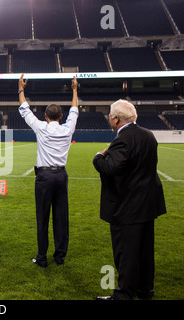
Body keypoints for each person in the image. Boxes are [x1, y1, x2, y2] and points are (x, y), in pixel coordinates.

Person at [93, 99, 166, 300]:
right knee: (144, 251)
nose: (109, 118)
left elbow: (110, 168)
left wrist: (98, 157)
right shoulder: (148, 135)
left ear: (116, 119)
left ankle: (124, 294)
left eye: (110, 115)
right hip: (147, 205)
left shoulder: (123, 139)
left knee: (126, 253)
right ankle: (144, 290)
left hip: (127, 206)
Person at [18, 74, 79, 267]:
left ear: (46, 116)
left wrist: (21, 89)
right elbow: (75, 110)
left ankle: (42, 258)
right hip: (61, 175)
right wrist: (75, 90)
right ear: (61, 116)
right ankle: (60, 257)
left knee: (42, 217)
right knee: (62, 218)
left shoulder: (41, 127)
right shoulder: (68, 129)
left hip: (44, 176)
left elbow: (25, 109)